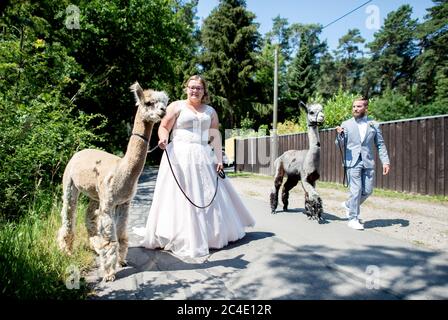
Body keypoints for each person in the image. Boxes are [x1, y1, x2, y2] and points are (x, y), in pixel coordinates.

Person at [137, 75, 255, 258]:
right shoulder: (176, 106)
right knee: (180, 195)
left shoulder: (210, 111)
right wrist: (163, 137)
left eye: (198, 88)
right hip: (179, 155)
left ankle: (209, 235)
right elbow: (164, 127)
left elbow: (215, 135)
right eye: (191, 87)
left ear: (204, 91)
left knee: (207, 194)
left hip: (203, 155)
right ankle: (180, 234)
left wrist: (219, 159)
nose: (194, 90)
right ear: (186, 88)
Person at [335, 97, 390, 230]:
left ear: (366, 108)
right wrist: (340, 135)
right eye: (354, 106)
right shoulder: (346, 124)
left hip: (368, 161)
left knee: (368, 190)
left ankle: (349, 205)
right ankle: (353, 218)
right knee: (356, 190)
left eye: (359, 106)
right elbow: (339, 144)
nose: (355, 109)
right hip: (352, 161)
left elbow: (380, 144)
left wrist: (385, 162)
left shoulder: (374, 124)